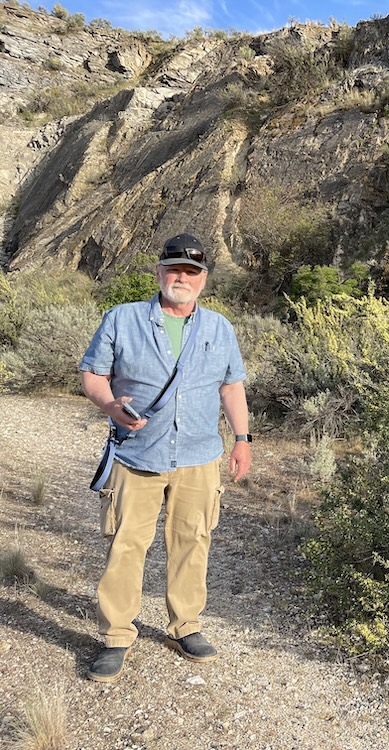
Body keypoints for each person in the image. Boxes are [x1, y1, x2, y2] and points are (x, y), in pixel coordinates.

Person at [79, 232, 252, 683]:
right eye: (174, 269)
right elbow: (93, 374)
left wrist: (243, 438)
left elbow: (231, 386)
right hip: (137, 454)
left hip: (199, 457)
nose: (182, 277)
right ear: (159, 273)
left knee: (193, 543)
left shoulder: (220, 328)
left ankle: (185, 626)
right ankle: (116, 635)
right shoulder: (122, 318)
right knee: (126, 545)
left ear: (203, 280)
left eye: (191, 272)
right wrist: (111, 405)